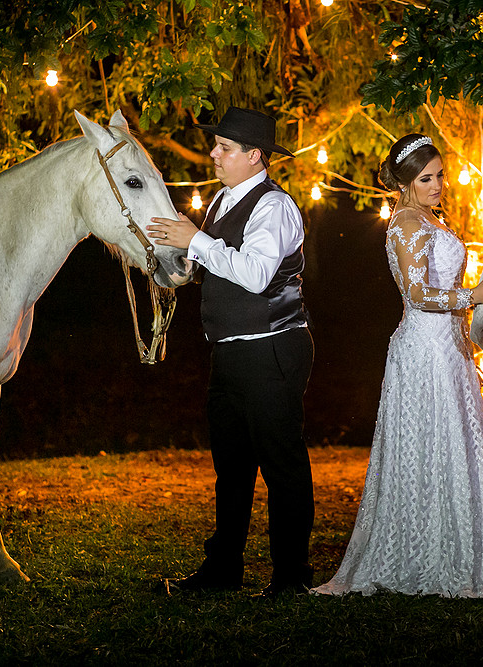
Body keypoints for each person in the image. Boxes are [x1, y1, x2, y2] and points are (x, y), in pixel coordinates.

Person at [312, 134, 483, 599]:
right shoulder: (407, 226)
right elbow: (417, 296)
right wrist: (473, 296)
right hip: (421, 350)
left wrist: (471, 343)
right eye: (426, 178)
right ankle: (416, 557)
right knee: (425, 448)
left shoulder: (428, 218)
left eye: (439, 175)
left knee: (454, 448)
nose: (437, 184)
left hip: (447, 347)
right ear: (405, 182)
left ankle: (458, 553)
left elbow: (440, 292)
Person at [147, 107, 314, 597]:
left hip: (271, 349)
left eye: (224, 148)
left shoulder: (274, 207)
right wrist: (182, 259)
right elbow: (220, 262)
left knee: (281, 466)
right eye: (215, 145)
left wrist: (195, 240)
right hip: (230, 352)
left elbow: (258, 275)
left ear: (254, 156)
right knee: (232, 468)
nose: (213, 155)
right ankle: (223, 572)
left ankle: (290, 578)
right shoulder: (222, 198)